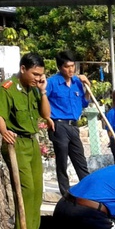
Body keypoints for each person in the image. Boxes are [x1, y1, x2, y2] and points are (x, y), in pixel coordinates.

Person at [0, 53, 53, 229]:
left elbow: (45, 115)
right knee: (25, 190)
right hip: (15, 143)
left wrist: (43, 91)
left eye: (41, 75)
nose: (38, 78)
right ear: (23, 69)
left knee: (37, 190)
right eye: (35, 74)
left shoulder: (35, 90)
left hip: (32, 142)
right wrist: (4, 132)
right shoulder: (7, 89)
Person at [44, 50, 90, 198]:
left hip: (73, 125)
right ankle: (65, 193)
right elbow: (41, 100)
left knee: (80, 159)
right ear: (60, 67)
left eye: (72, 66)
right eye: (67, 67)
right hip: (58, 125)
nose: (71, 70)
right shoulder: (51, 82)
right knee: (62, 159)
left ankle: (89, 189)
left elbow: (84, 103)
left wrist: (87, 87)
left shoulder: (77, 82)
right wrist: (46, 117)